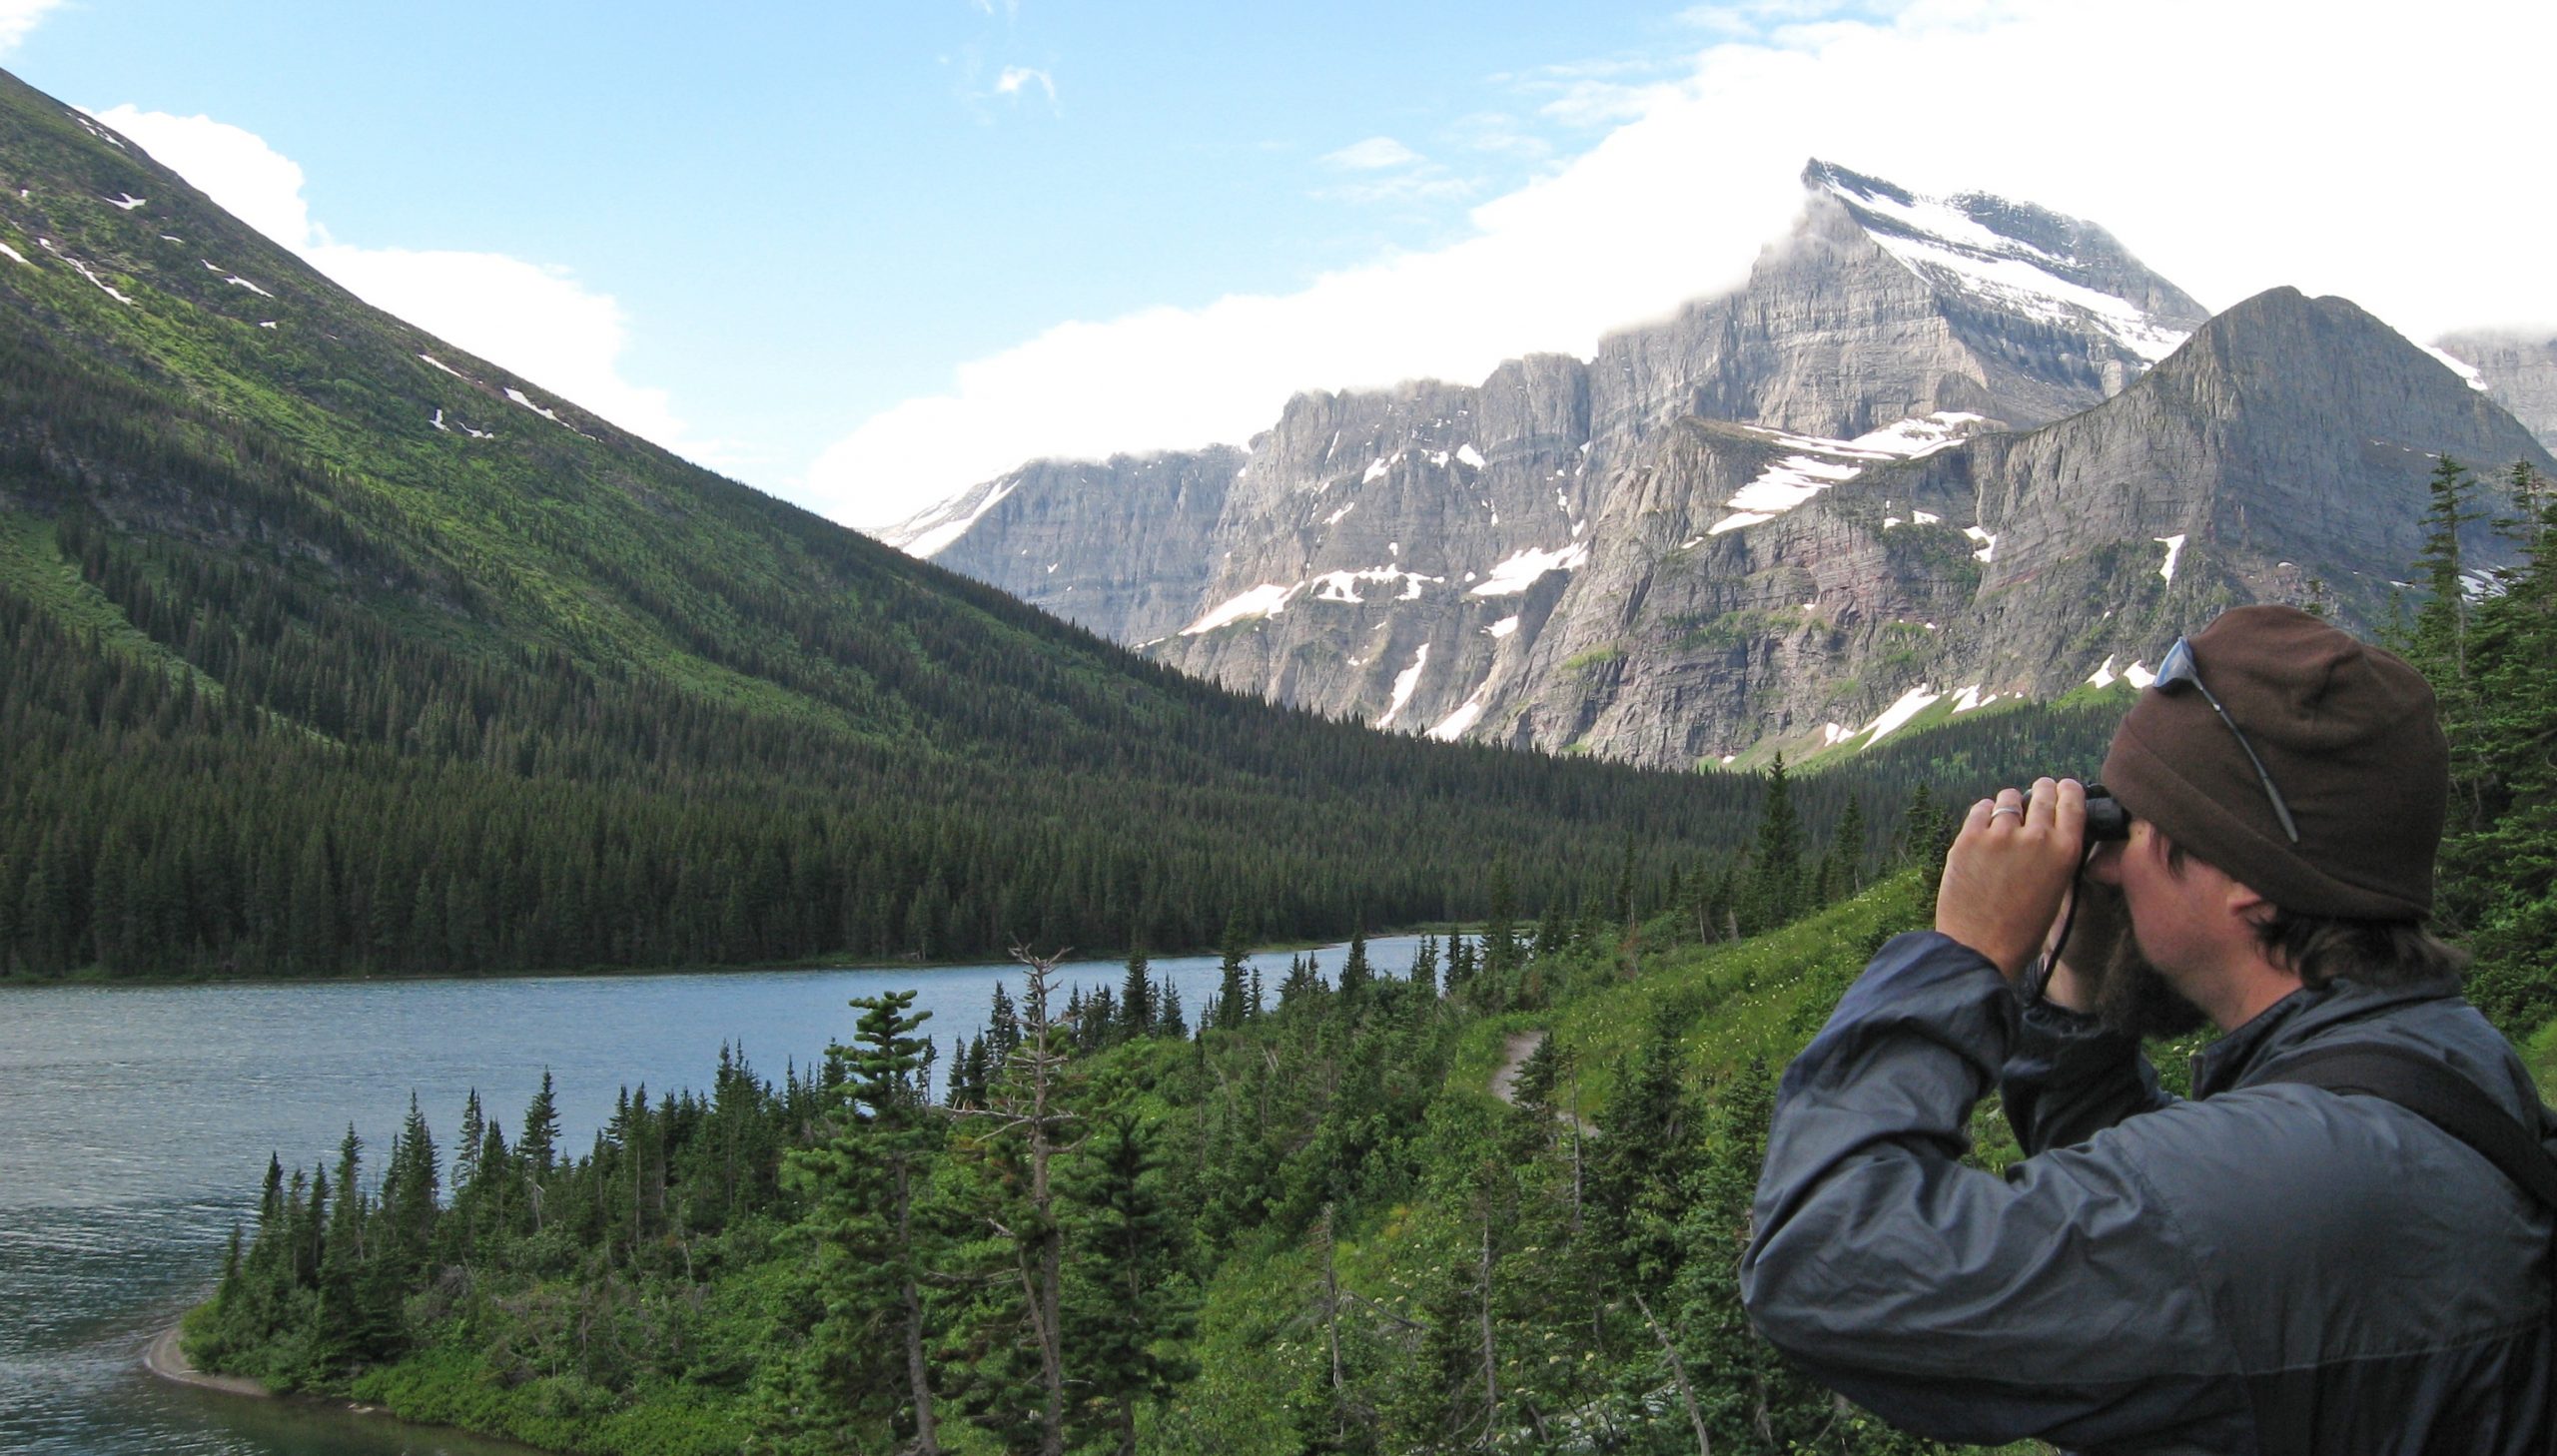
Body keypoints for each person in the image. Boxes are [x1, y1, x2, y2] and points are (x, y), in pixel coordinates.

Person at [1739, 605, 2553, 1454]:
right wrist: (2080, 980)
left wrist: (1964, 956)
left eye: (2133, 824)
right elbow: (2166, 1232)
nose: (2109, 859)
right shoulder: (2429, 1067)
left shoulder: (2316, 1178)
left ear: (2252, 885)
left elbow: (1824, 1260)